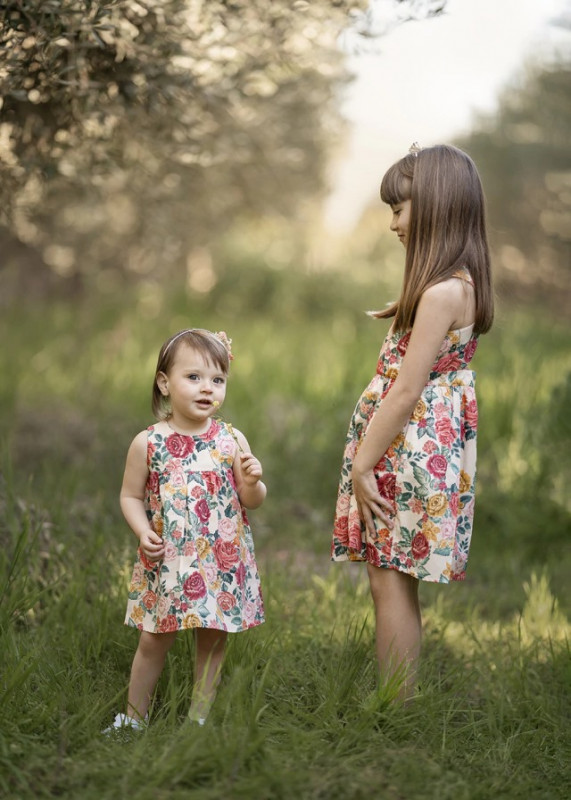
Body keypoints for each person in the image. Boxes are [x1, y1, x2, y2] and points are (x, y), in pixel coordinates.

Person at [331, 144, 494, 700]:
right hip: (426, 446)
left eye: (401, 209)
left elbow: (404, 392)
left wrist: (363, 463)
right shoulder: (460, 284)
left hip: (405, 447)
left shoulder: (442, 291)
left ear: (440, 206)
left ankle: (396, 702)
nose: (393, 223)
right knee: (393, 574)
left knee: (387, 578)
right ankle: (401, 696)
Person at [105, 328, 266, 732]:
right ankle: (134, 717)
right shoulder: (149, 442)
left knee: (212, 638)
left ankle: (197, 718)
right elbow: (129, 496)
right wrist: (143, 532)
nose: (207, 388)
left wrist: (253, 481)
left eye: (217, 379)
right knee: (154, 638)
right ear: (164, 382)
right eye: (193, 377)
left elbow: (252, 501)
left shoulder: (231, 440)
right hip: (170, 559)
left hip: (220, 559)